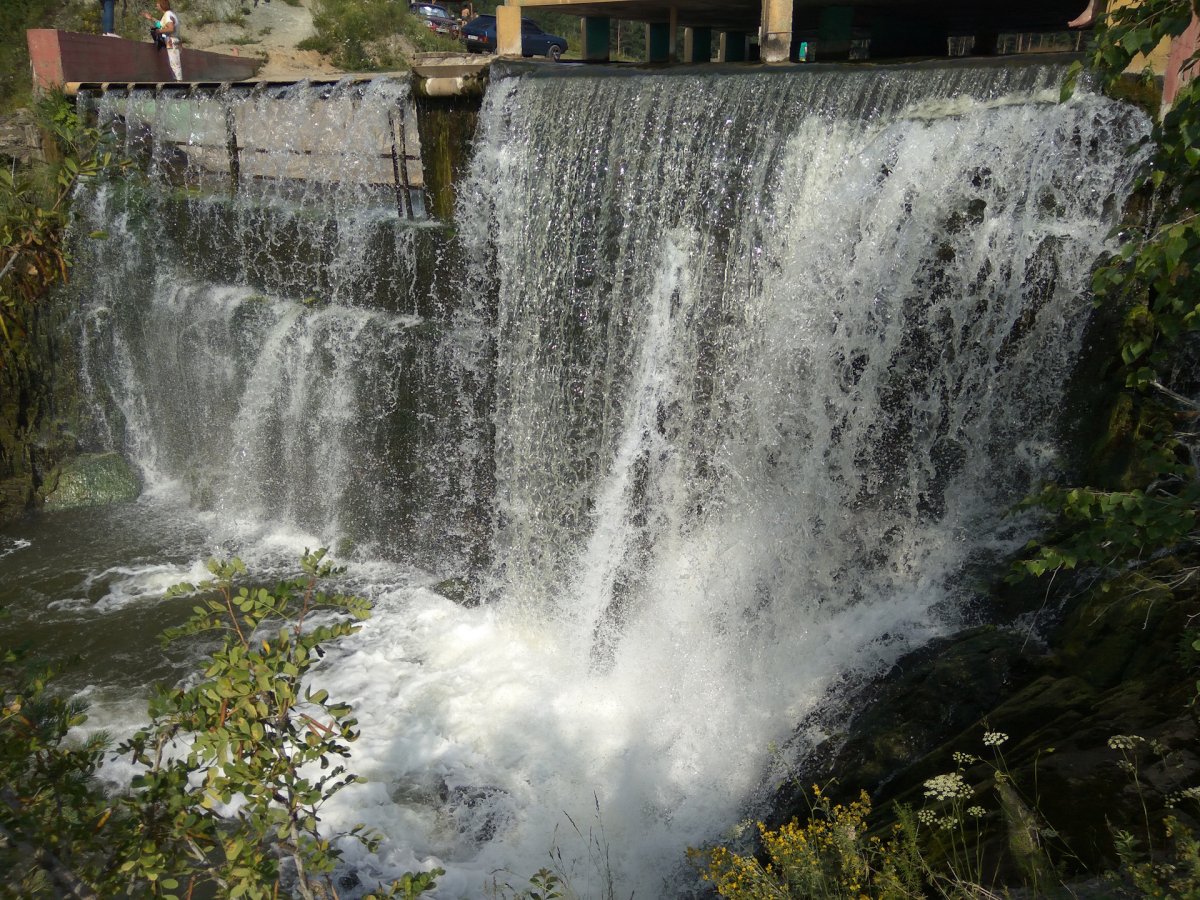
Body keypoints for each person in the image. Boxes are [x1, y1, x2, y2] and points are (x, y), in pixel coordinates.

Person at [142, 0, 182, 81]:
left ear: (161, 5)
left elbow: (170, 28)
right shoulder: (170, 14)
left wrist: (159, 31)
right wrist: (151, 19)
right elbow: (161, 24)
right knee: (174, 61)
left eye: (157, 4)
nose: (156, 6)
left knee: (174, 62)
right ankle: (177, 80)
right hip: (175, 39)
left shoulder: (167, 15)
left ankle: (179, 81)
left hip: (171, 40)